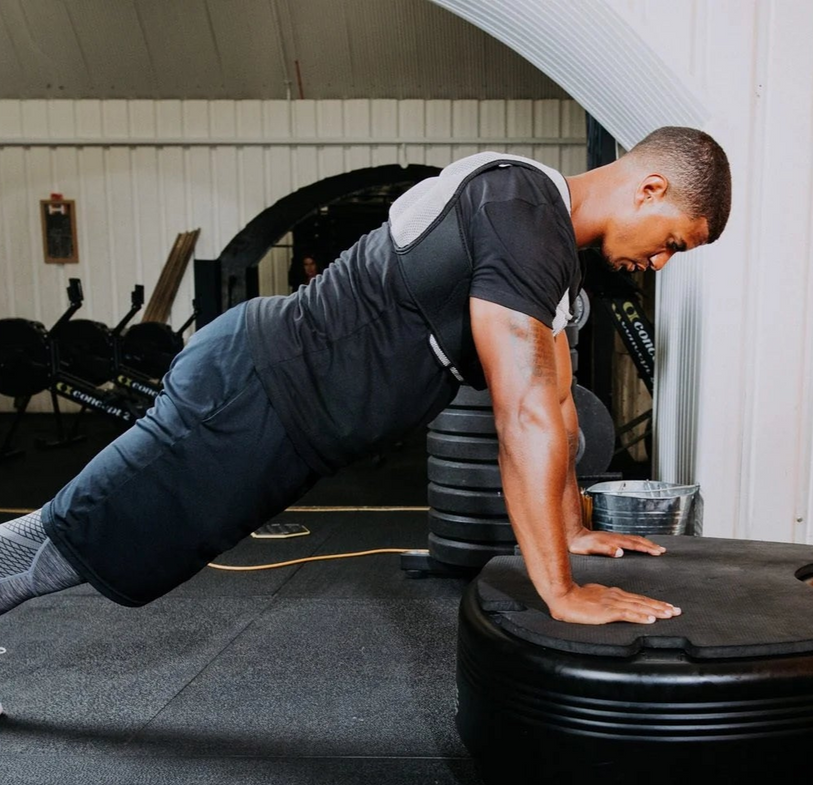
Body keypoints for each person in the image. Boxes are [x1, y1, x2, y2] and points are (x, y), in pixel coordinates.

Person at [0, 127, 730, 627]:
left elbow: (563, 412)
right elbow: (527, 415)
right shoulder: (519, 208)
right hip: (251, 393)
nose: (660, 263)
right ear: (649, 187)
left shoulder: (557, 275)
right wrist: (561, 592)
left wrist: (574, 530)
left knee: (108, 547)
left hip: (288, 428)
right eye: (672, 242)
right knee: (72, 544)